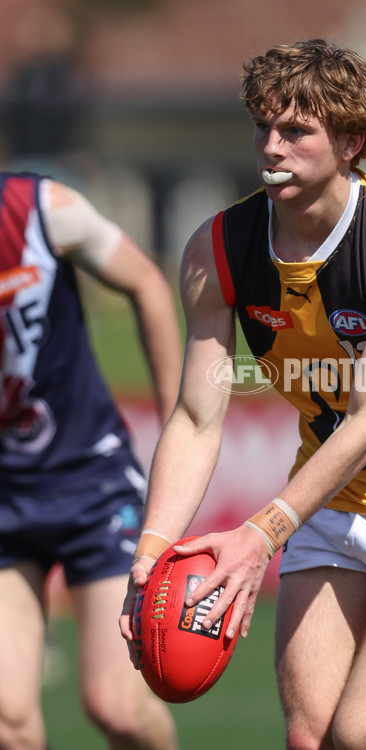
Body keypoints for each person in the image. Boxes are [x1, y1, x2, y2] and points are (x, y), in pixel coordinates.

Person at [120, 39, 366, 750]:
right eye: (263, 127)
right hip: (327, 504)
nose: (271, 147)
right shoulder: (218, 248)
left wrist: (261, 534)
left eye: (296, 132)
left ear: (352, 142)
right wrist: (152, 552)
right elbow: (200, 414)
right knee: (310, 736)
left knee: (364, 737)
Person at [0, 171, 182, 750]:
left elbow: (148, 285)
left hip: (91, 482)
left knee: (119, 708)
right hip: (4, 501)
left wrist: (184, 425)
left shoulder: (40, 210)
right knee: (8, 724)